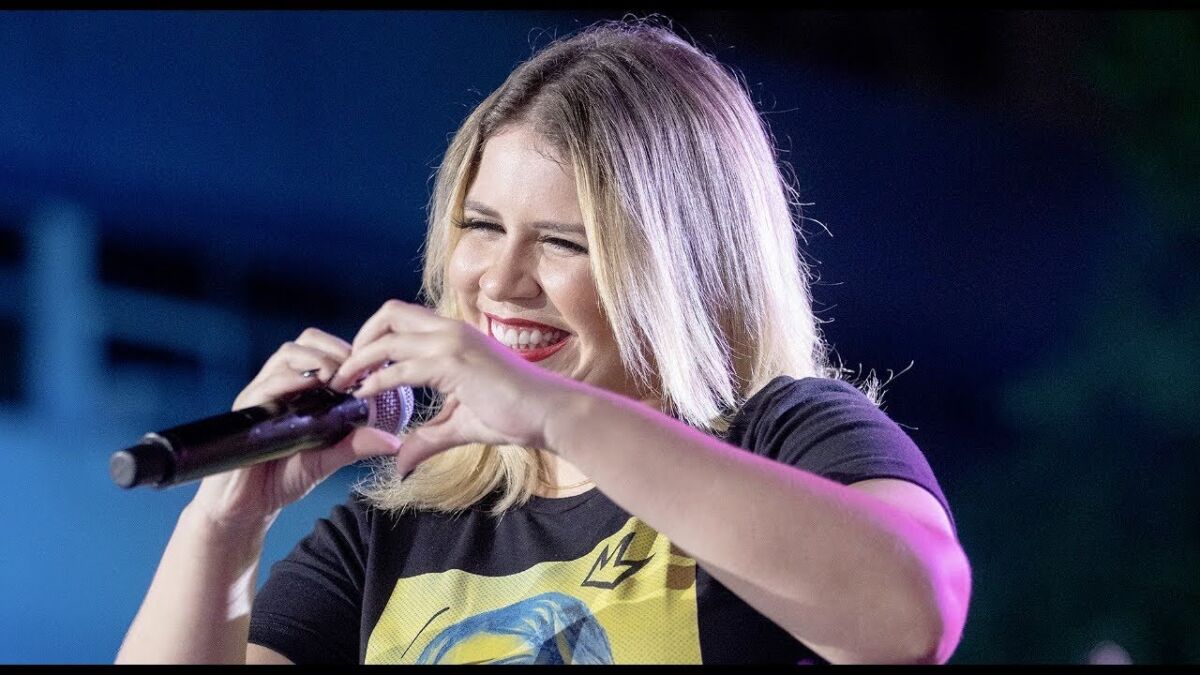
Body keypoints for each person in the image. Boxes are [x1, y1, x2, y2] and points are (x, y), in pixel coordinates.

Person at [114, 17, 971, 665]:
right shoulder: (397, 534)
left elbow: (911, 614)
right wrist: (225, 522)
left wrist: (557, 413)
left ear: (683, 264)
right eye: (481, 226)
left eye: (565, 241)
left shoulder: (787, 435)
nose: (500, 279)